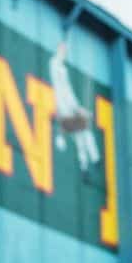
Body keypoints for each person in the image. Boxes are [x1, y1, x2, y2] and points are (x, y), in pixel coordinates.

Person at [48, 37, 101, 172]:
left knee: (80, 137)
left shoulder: (59, 68)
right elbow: (65, 93)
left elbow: (67, 92)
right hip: (66, 111)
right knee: (85, 132)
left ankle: (84, 164)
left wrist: (79, 109)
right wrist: (80, 110)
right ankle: (94, 159)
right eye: (63, 50)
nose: (64, 54)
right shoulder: (56, 66)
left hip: (66, 112)